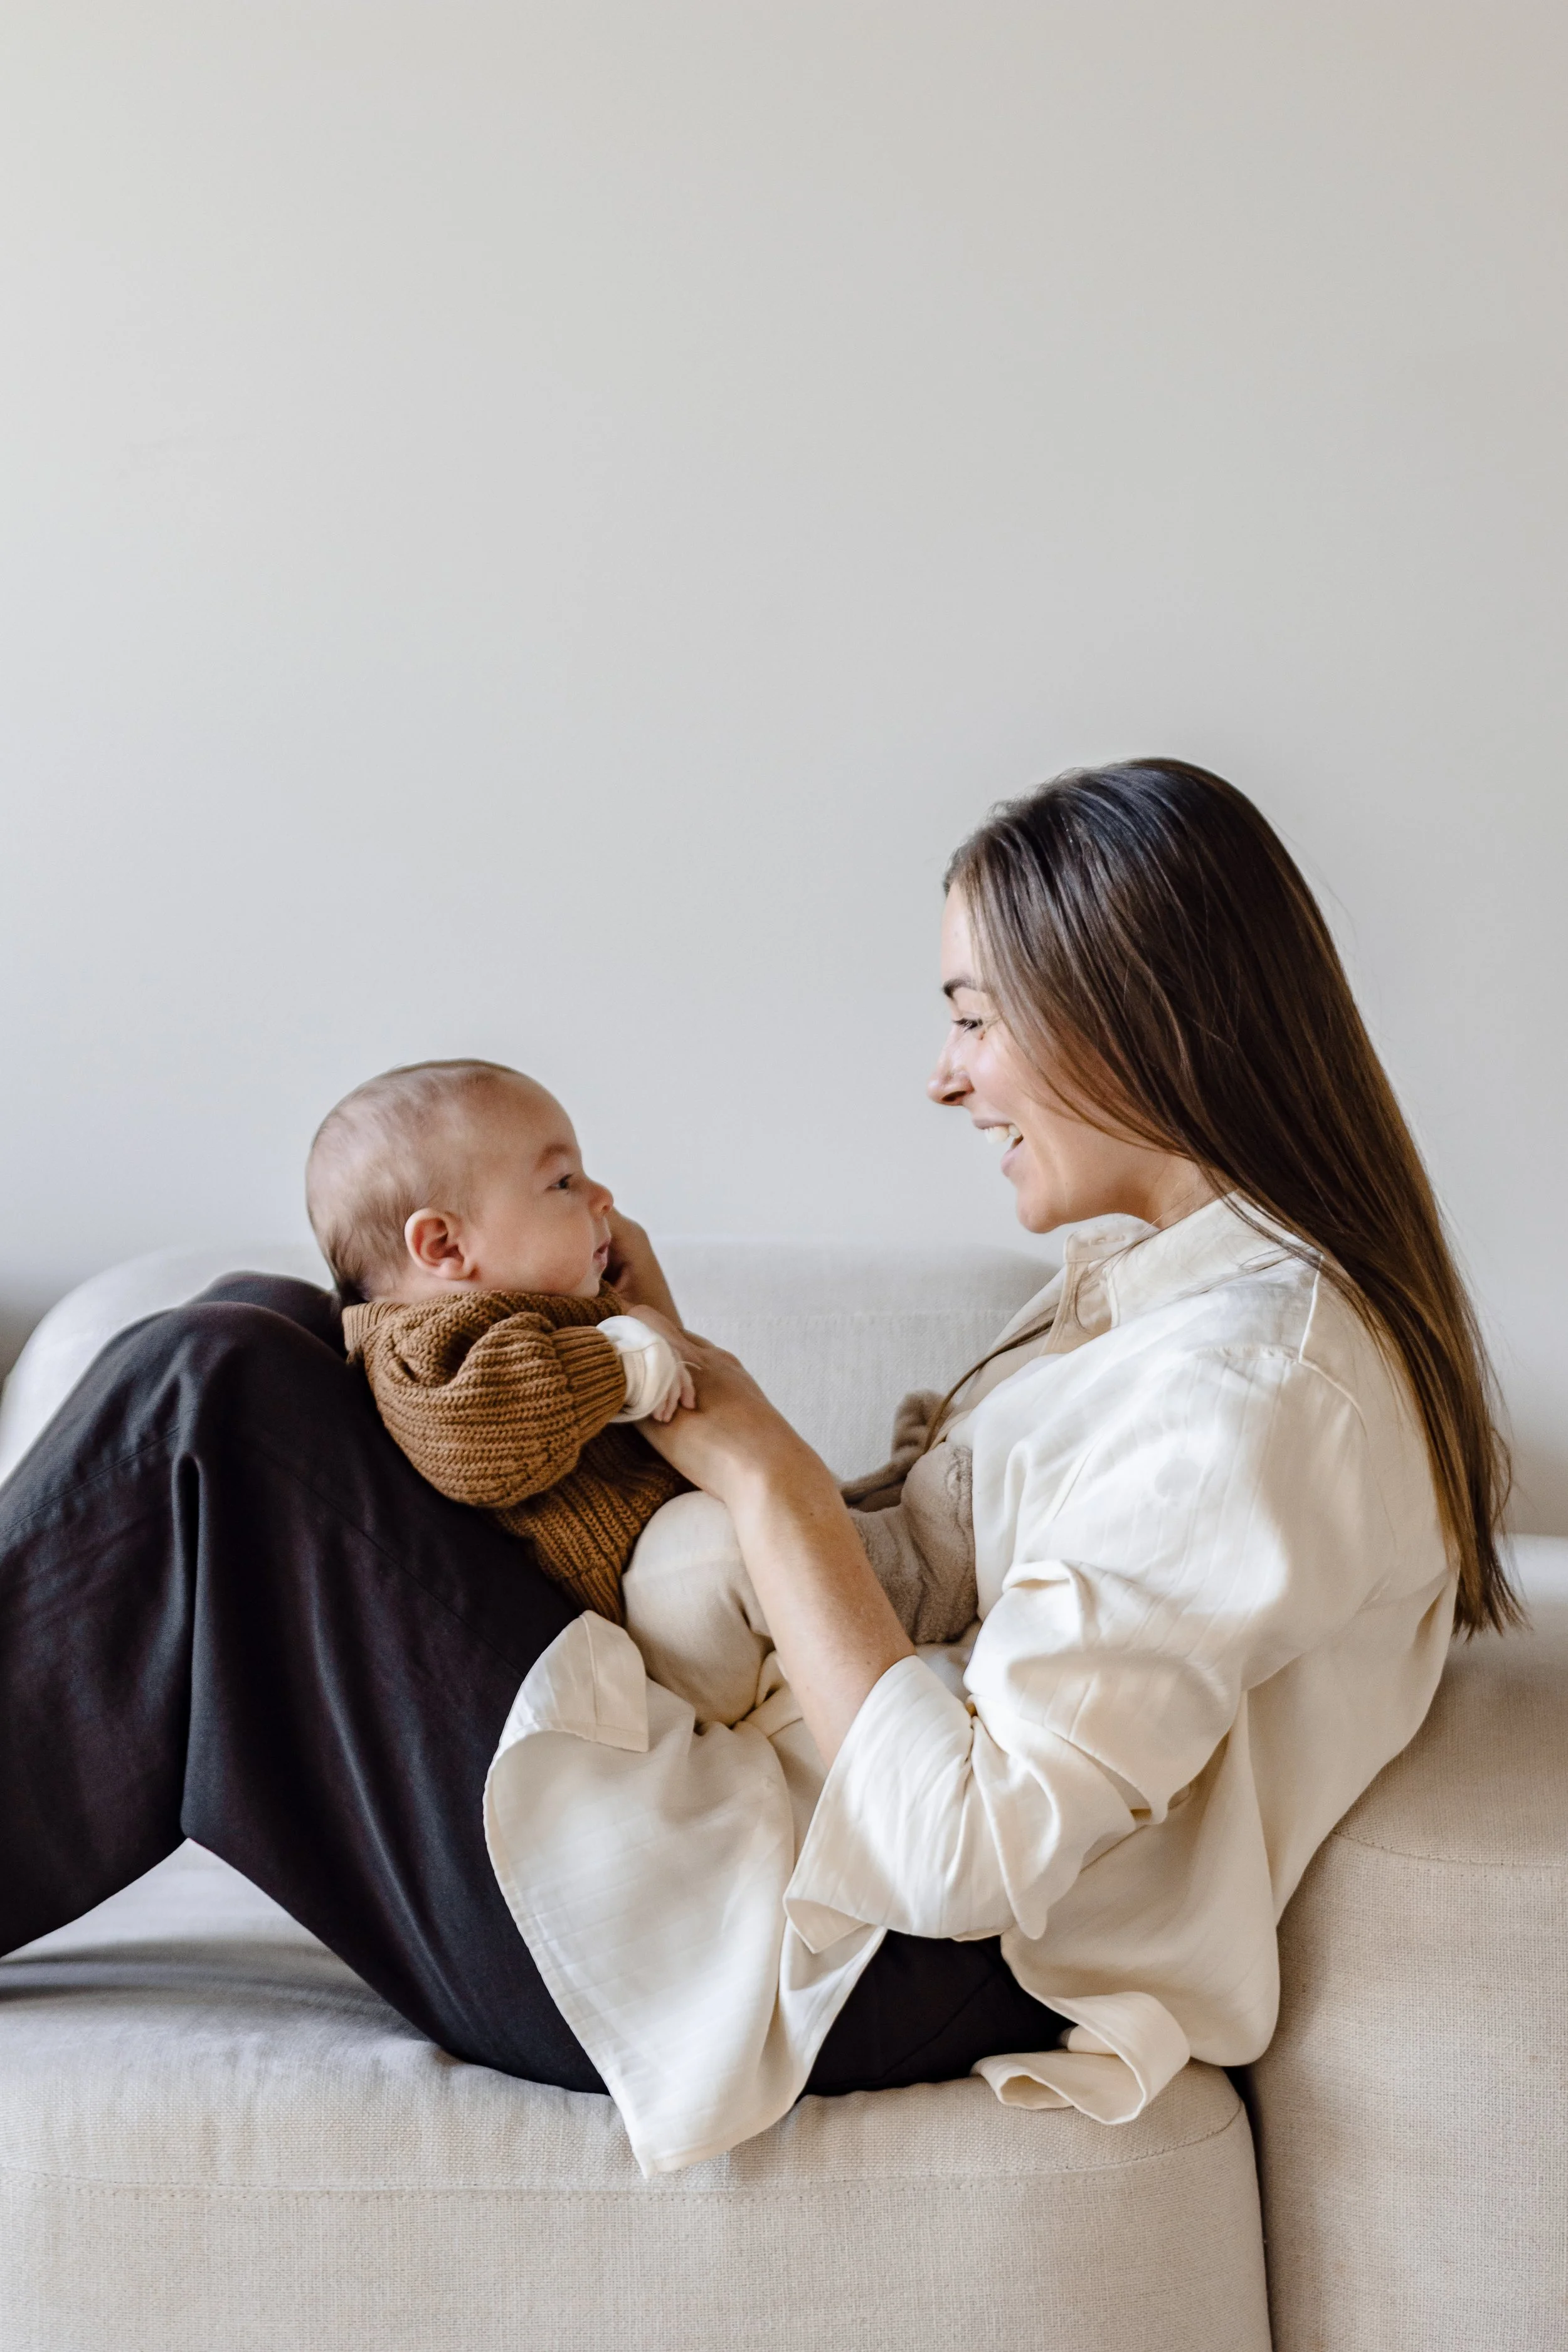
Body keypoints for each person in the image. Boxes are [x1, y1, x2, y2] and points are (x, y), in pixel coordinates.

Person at [0, 760, 1514, 2170]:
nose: (946, 1077)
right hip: (809, 1848)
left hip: (843, 1947)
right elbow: (914, 1607)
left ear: (1126, 1013)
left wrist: (764, 1468)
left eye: (976, 1018)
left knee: (214, 1394)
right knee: (274, 1327)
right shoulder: (1160, 1301)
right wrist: (663, 1404)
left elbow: (960, 1852)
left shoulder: (1251, 1389)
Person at [307, 1058, 978, 1720]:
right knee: (714, 1539)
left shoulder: (552, 1306)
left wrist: (643, 1324)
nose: (603, 1198)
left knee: (764, 1510)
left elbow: (686, 1413)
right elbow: (475, 1432)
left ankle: (877, 1503)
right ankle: (925, 1579)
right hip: (648, 1627)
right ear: (445, 1246)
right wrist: (624, 1359)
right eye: (563, 1181)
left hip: (685, 1592)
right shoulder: (417, 1344)